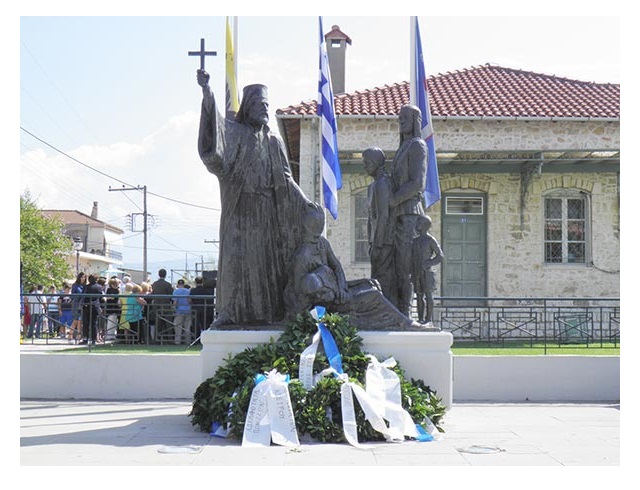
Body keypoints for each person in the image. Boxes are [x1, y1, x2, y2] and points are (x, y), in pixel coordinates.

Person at [196, 69, 311, 327]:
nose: (264, 109)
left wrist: (305, 202)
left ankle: (268, 314)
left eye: (267, 105)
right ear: (248, 106)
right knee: (235, 260)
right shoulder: (235, 133)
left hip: (266, 211)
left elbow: (287, 178)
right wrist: (208, 93)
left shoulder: (274, 142)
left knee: (265, 265)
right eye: (259, 104)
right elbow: (215, 138)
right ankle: (229, 312)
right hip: (240, 207)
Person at [285, 202, 425, 331]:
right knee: (373, 295)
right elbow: (300, 296)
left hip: (338, 291)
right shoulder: (302, 257)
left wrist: (341, 288)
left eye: (319, 227)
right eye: (315, 227)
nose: (317, 233)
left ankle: (401, 320)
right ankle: (405, 323)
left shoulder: (322, 243)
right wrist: (330, 298)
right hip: (330, 304)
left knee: (370, 284)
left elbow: (337, 267)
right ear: (306, 226)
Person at [389, 105, 428, 316]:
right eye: (400, 118)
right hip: (398, 213)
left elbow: (417, 183)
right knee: (396, 265)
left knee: (405, 266)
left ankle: (405, 313)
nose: (401, 120)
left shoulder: (417, 146)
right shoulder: (402, 148)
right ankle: (396, 309)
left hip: (410, 213)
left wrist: (393, 199)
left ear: (415, 120)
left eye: (405, 117)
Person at [363, 147, 396, 305]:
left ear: (376, 163)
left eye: (367, 162)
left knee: (383, 282)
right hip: (375, 242)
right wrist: (371, 243)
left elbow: (384, 215)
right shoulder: (373, 186)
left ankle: (387, 312)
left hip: (384, 242)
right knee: (376, 280)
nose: (365, 166)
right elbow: (371, 219)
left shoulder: (383, 184)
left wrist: (377, 244)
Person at [411, 215, 444, 325]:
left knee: (428, 295)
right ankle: (420, 318)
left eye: (419, 223)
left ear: (424, 225)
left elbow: (440, 256)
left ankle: (428, 319)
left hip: (427, 273)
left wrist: (429, 263)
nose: (416, 225)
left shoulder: (430, 240)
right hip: (417, 272)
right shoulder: (414, 241)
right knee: (419, 295)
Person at [189, 276, 215, 341]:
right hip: (204, 309)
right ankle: (206, 339)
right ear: (202, 282)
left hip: (195, 309)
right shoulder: (206, 291)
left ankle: (196, 339)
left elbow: (189, 300)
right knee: (205, 324)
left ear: (195, 282)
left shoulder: (193, 290)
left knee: (196, 325)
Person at [151, 269, 173, 340]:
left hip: (156, 306)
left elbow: (153, 294)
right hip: (166, 306)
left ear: (158, 274)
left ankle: (156, 339)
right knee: (168, 324)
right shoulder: (168, 284)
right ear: (165, 275)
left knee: (157, 324)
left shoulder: (154, 284)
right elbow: (171, 296)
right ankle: (170, 339)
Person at [81, 274, 103, 344]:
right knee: (94, 323)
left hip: (87, 305)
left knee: (85, 323)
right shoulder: (99, 287)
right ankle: (94, 339)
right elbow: (100, 296)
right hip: (95, 306)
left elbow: (83, 296)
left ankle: (85, 338)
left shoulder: (86, 287)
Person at [172, 279, 192, 345]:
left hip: (179, 311)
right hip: (188, 310)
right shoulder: (188, 291)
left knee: (178, 327)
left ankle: (177, 341)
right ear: (183, 284)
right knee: (187, 327)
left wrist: (173, 309)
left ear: (178, 285)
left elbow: (175, 302)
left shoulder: (176, 291)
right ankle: (188, 341)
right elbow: (189, 301)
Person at [69, 272, 86, 340]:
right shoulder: (75, 285)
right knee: (76, 319)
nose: (83, 279)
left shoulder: (85, 286)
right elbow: (73, 295)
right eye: (82, 277)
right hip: (76, 304)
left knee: (80, 320)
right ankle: (72, 333)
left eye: (84, 277)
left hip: (82, 304)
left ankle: (78, 334)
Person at [104, 277, 121, 341]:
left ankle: (113, 335)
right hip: (110, 307)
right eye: (114, 284)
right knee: (110, 321)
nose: (115, 286)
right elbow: (107, 297)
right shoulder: (109, 290)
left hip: (116, 307)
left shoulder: (118, 290)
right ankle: (109, 335)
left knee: (114, 322)